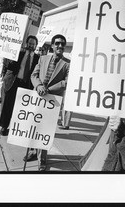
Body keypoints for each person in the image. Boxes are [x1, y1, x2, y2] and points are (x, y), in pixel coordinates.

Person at [23, 34, 72, 171]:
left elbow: (66, 82)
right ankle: (32, 151)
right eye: (57, 43)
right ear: (52, 45)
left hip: (52, 101)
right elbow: (34, 75)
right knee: (32, 127)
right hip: (37, 98)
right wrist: (39, 86)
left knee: (45, 131)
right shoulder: (43, 59)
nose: (60, 46)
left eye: (63, 44)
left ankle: (42, 159)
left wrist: (48, 89)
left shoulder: (67, 64)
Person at [0, 35, 40, 136]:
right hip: (14, 82)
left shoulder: (38, 58)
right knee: (8, 105)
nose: (31, 46)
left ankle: (17, 130)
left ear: (36, 46)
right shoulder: (18, 54)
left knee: (22, 109)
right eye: (29, 43)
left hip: (27, 85)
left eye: (33, 44)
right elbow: (10, 66)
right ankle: (4, 127)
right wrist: (8, 58)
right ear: (26, 44)